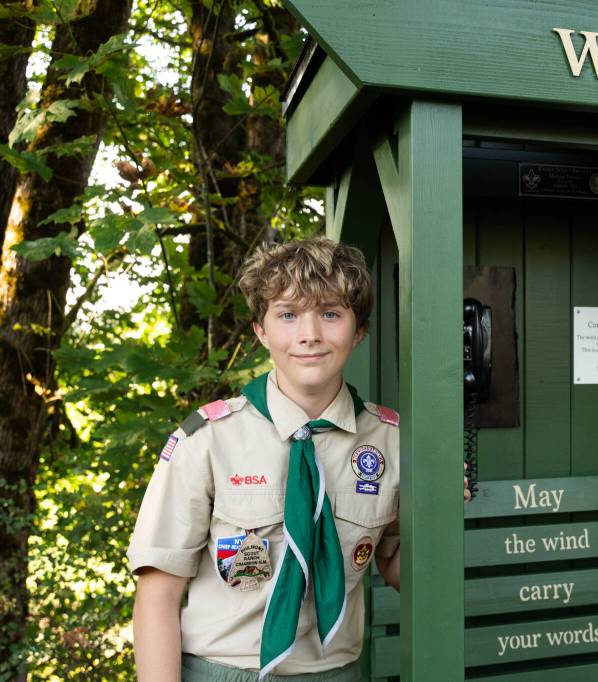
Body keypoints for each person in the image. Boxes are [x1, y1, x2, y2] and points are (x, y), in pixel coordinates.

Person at [129, 237, 470, 681]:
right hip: (222, 672)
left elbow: (397, 567)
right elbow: (158, 594)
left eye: (330, 313)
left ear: (359, 329)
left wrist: (437, 516)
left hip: (334, 673)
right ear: (261, 330)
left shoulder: (392, 443)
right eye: (288, 315)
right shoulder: (207, 441)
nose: (309, 335)